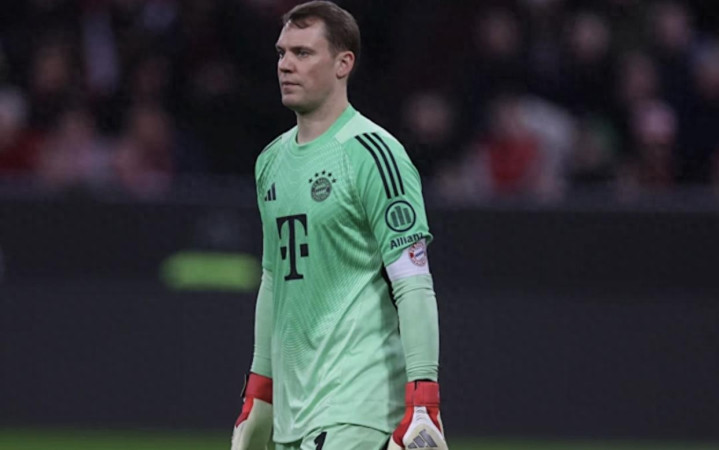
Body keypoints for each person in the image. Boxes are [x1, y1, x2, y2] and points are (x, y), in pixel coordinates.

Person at [231, 2, 447, 449]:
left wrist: (424, 400)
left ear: (343, 63)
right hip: (293, 412)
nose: (285, 64)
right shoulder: (270, 162)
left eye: (303, 53)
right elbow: (273, 281)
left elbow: (413, 282)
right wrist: (259, 390)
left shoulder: (374, 154)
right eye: (282, 52)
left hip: (357, 407)